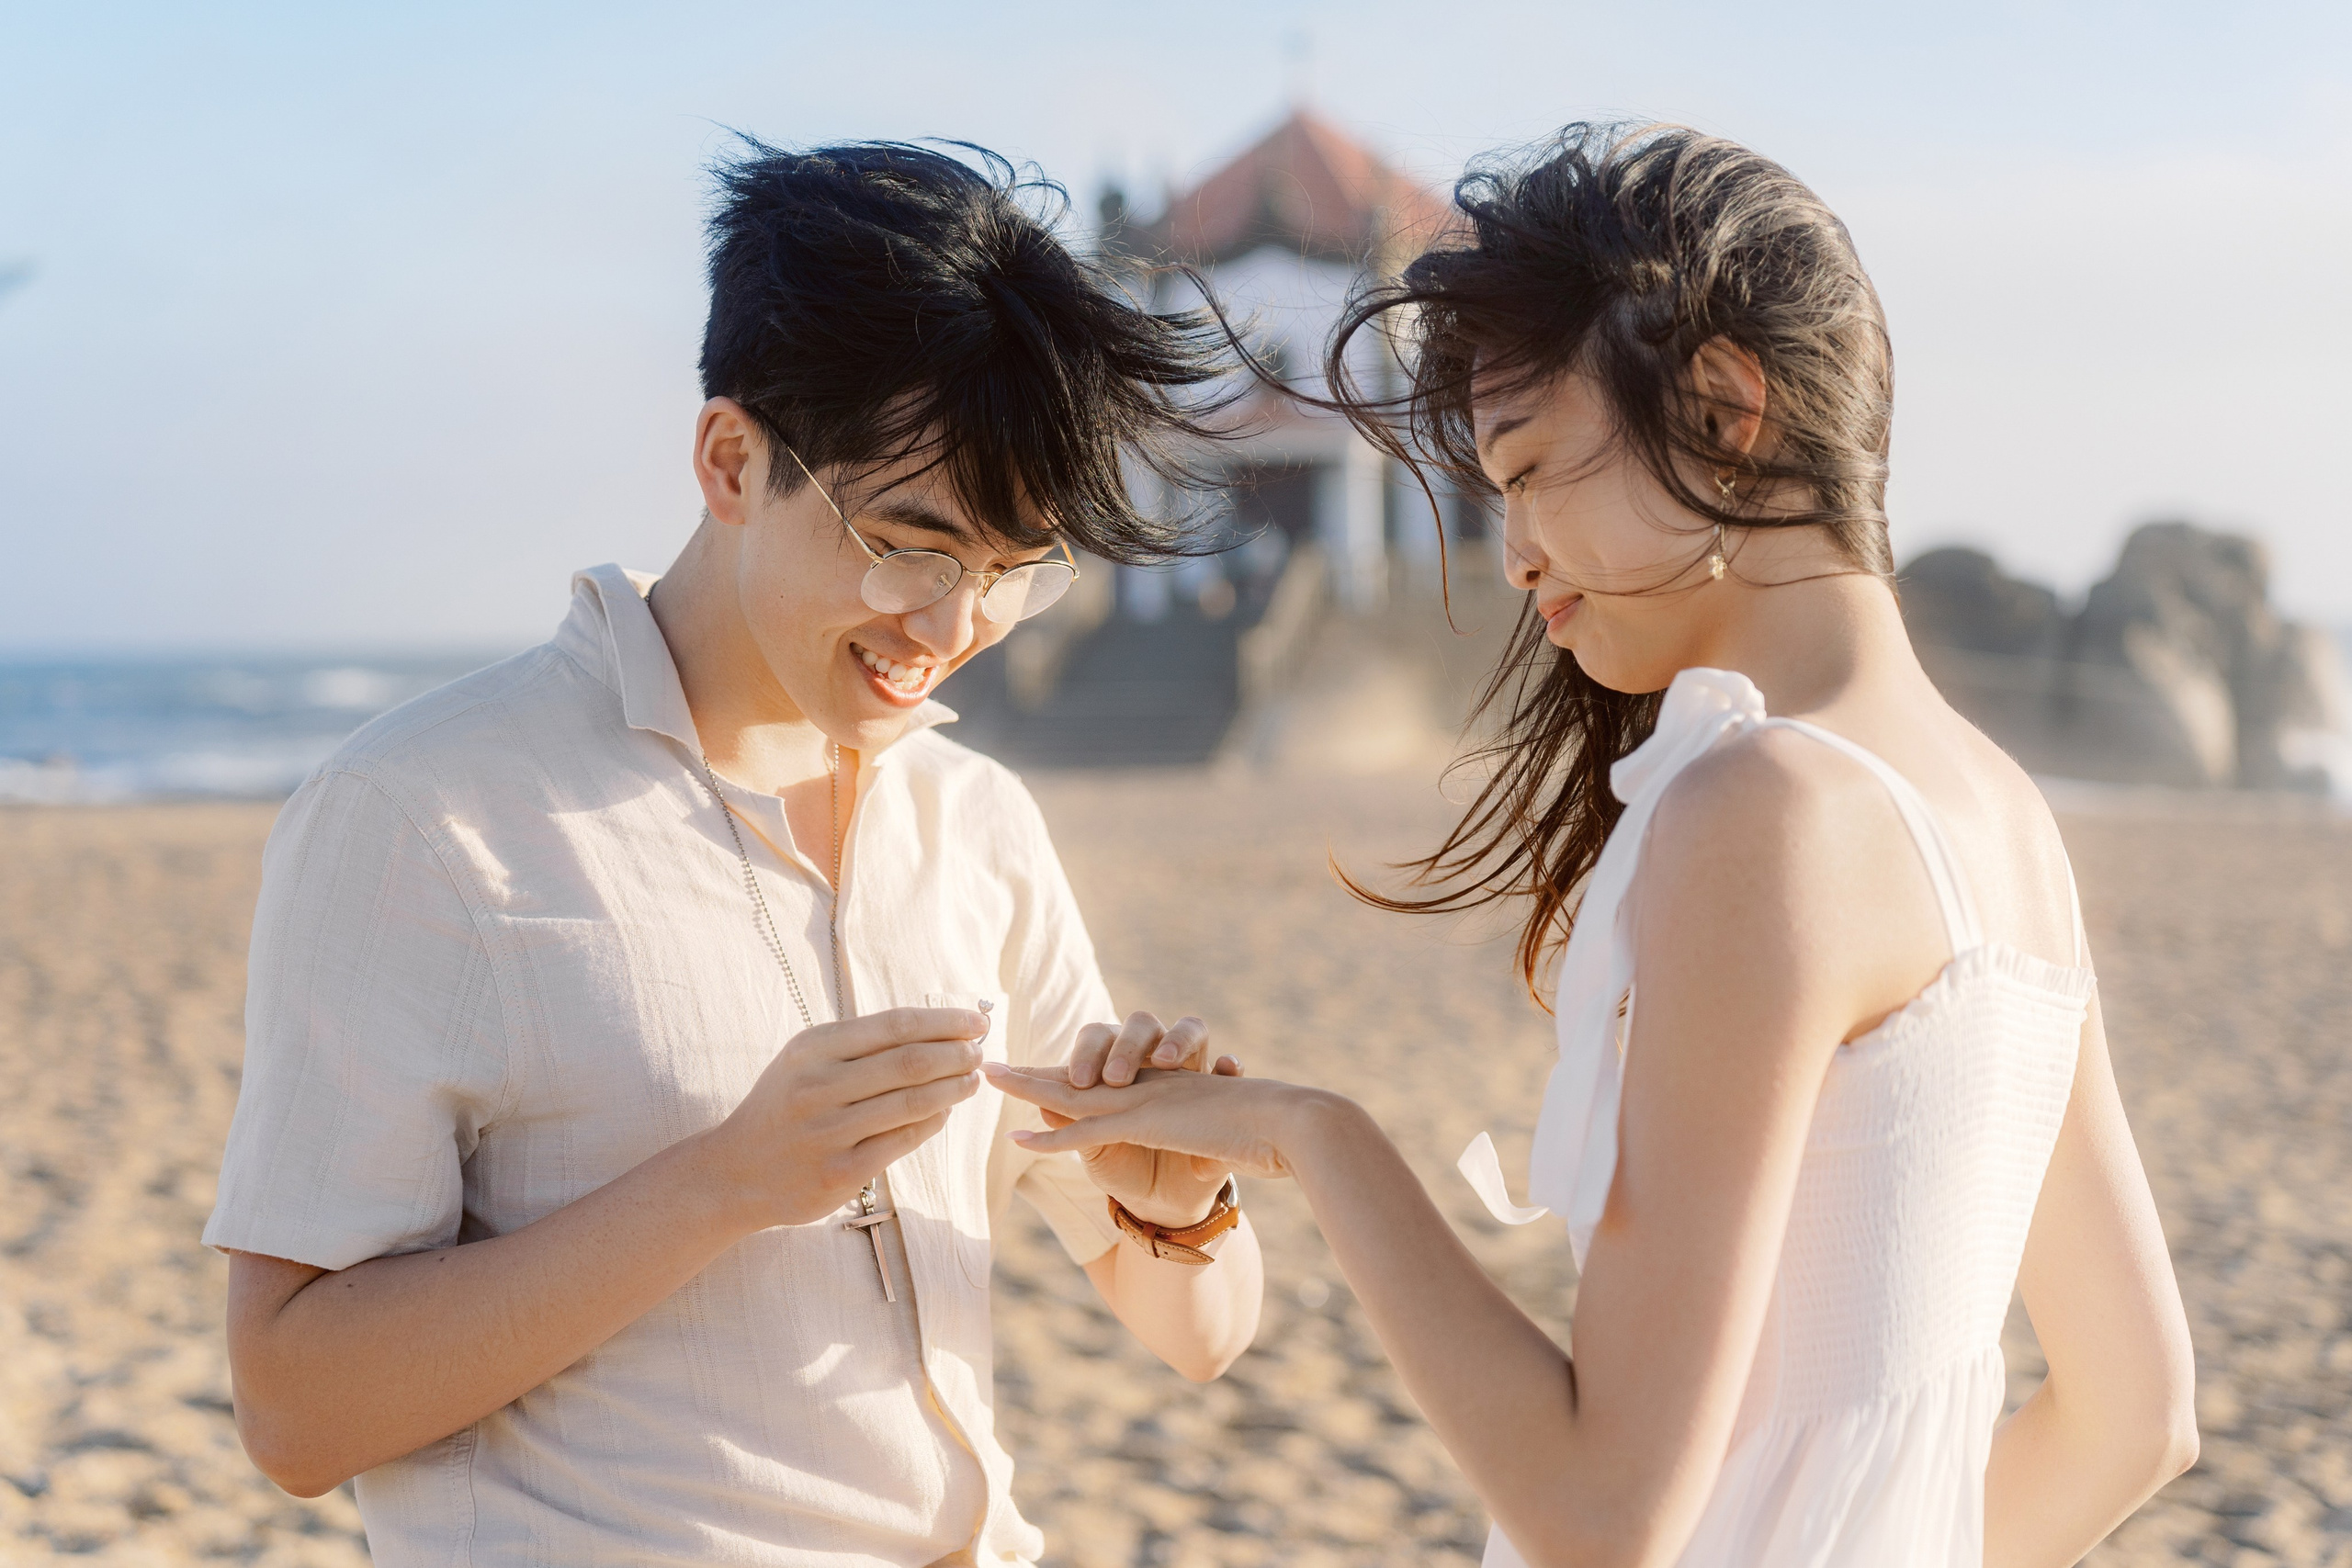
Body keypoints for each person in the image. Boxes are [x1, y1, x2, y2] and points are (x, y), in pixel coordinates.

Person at [989, 122, 2198, 1567]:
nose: (1515, 552)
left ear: (1724, 409)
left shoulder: (1765, 811)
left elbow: (1601, 1516)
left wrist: (1316, 1137)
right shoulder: (2002, 812)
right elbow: (2136, 1421)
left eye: (1534, 468)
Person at [205, 139, 1264, 1566]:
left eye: (1013, 571)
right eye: (909, 544)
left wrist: (1181, 1208)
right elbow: (293, 1410)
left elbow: (1201, 1336)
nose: (951, 628)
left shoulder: (975, 823)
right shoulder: (422, 815)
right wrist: (725, 1183)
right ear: (730, 460)